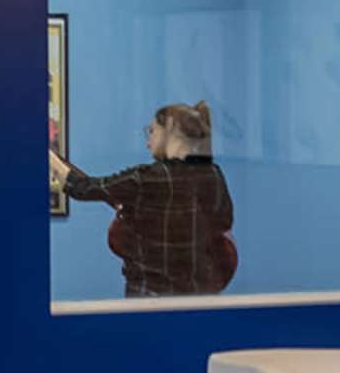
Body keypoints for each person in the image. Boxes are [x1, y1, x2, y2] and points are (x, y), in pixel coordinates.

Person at [54, 101, 236, 298]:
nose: (148, 142)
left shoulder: (146, 178)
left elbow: (82, 188)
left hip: (149, 299)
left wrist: (49, 156)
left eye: (152, 131)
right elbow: (223, 223)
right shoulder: (213, 175)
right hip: (198, 300)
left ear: (169, 128)